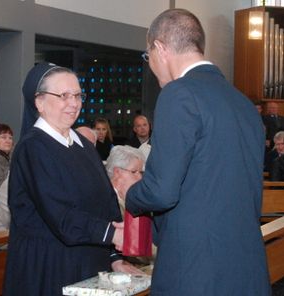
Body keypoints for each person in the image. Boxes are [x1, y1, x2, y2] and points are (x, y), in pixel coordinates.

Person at [116, 9, 271, 295]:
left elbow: (162, 191)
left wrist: (132, 192)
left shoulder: (180, 94)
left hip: (197, 271)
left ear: (160, 48)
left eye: (147, 55)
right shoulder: (243, 104)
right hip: (246, 266)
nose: (150, 63)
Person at [3, 63, 141, 296]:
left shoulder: (83, 144)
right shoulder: (32, 148)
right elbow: (61, 215)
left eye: (77, 95)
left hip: (90, 263)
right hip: (50, 266)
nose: (74, 103)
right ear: (39, 102)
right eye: (64, 95)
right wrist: (112, 233)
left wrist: (115, 257)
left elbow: (106, 201)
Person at [105, 145, 145, 217]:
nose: (140, 177)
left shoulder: (135, 197)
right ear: (117, 172)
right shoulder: (105, 201)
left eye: (141, 172)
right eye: (134, 171)